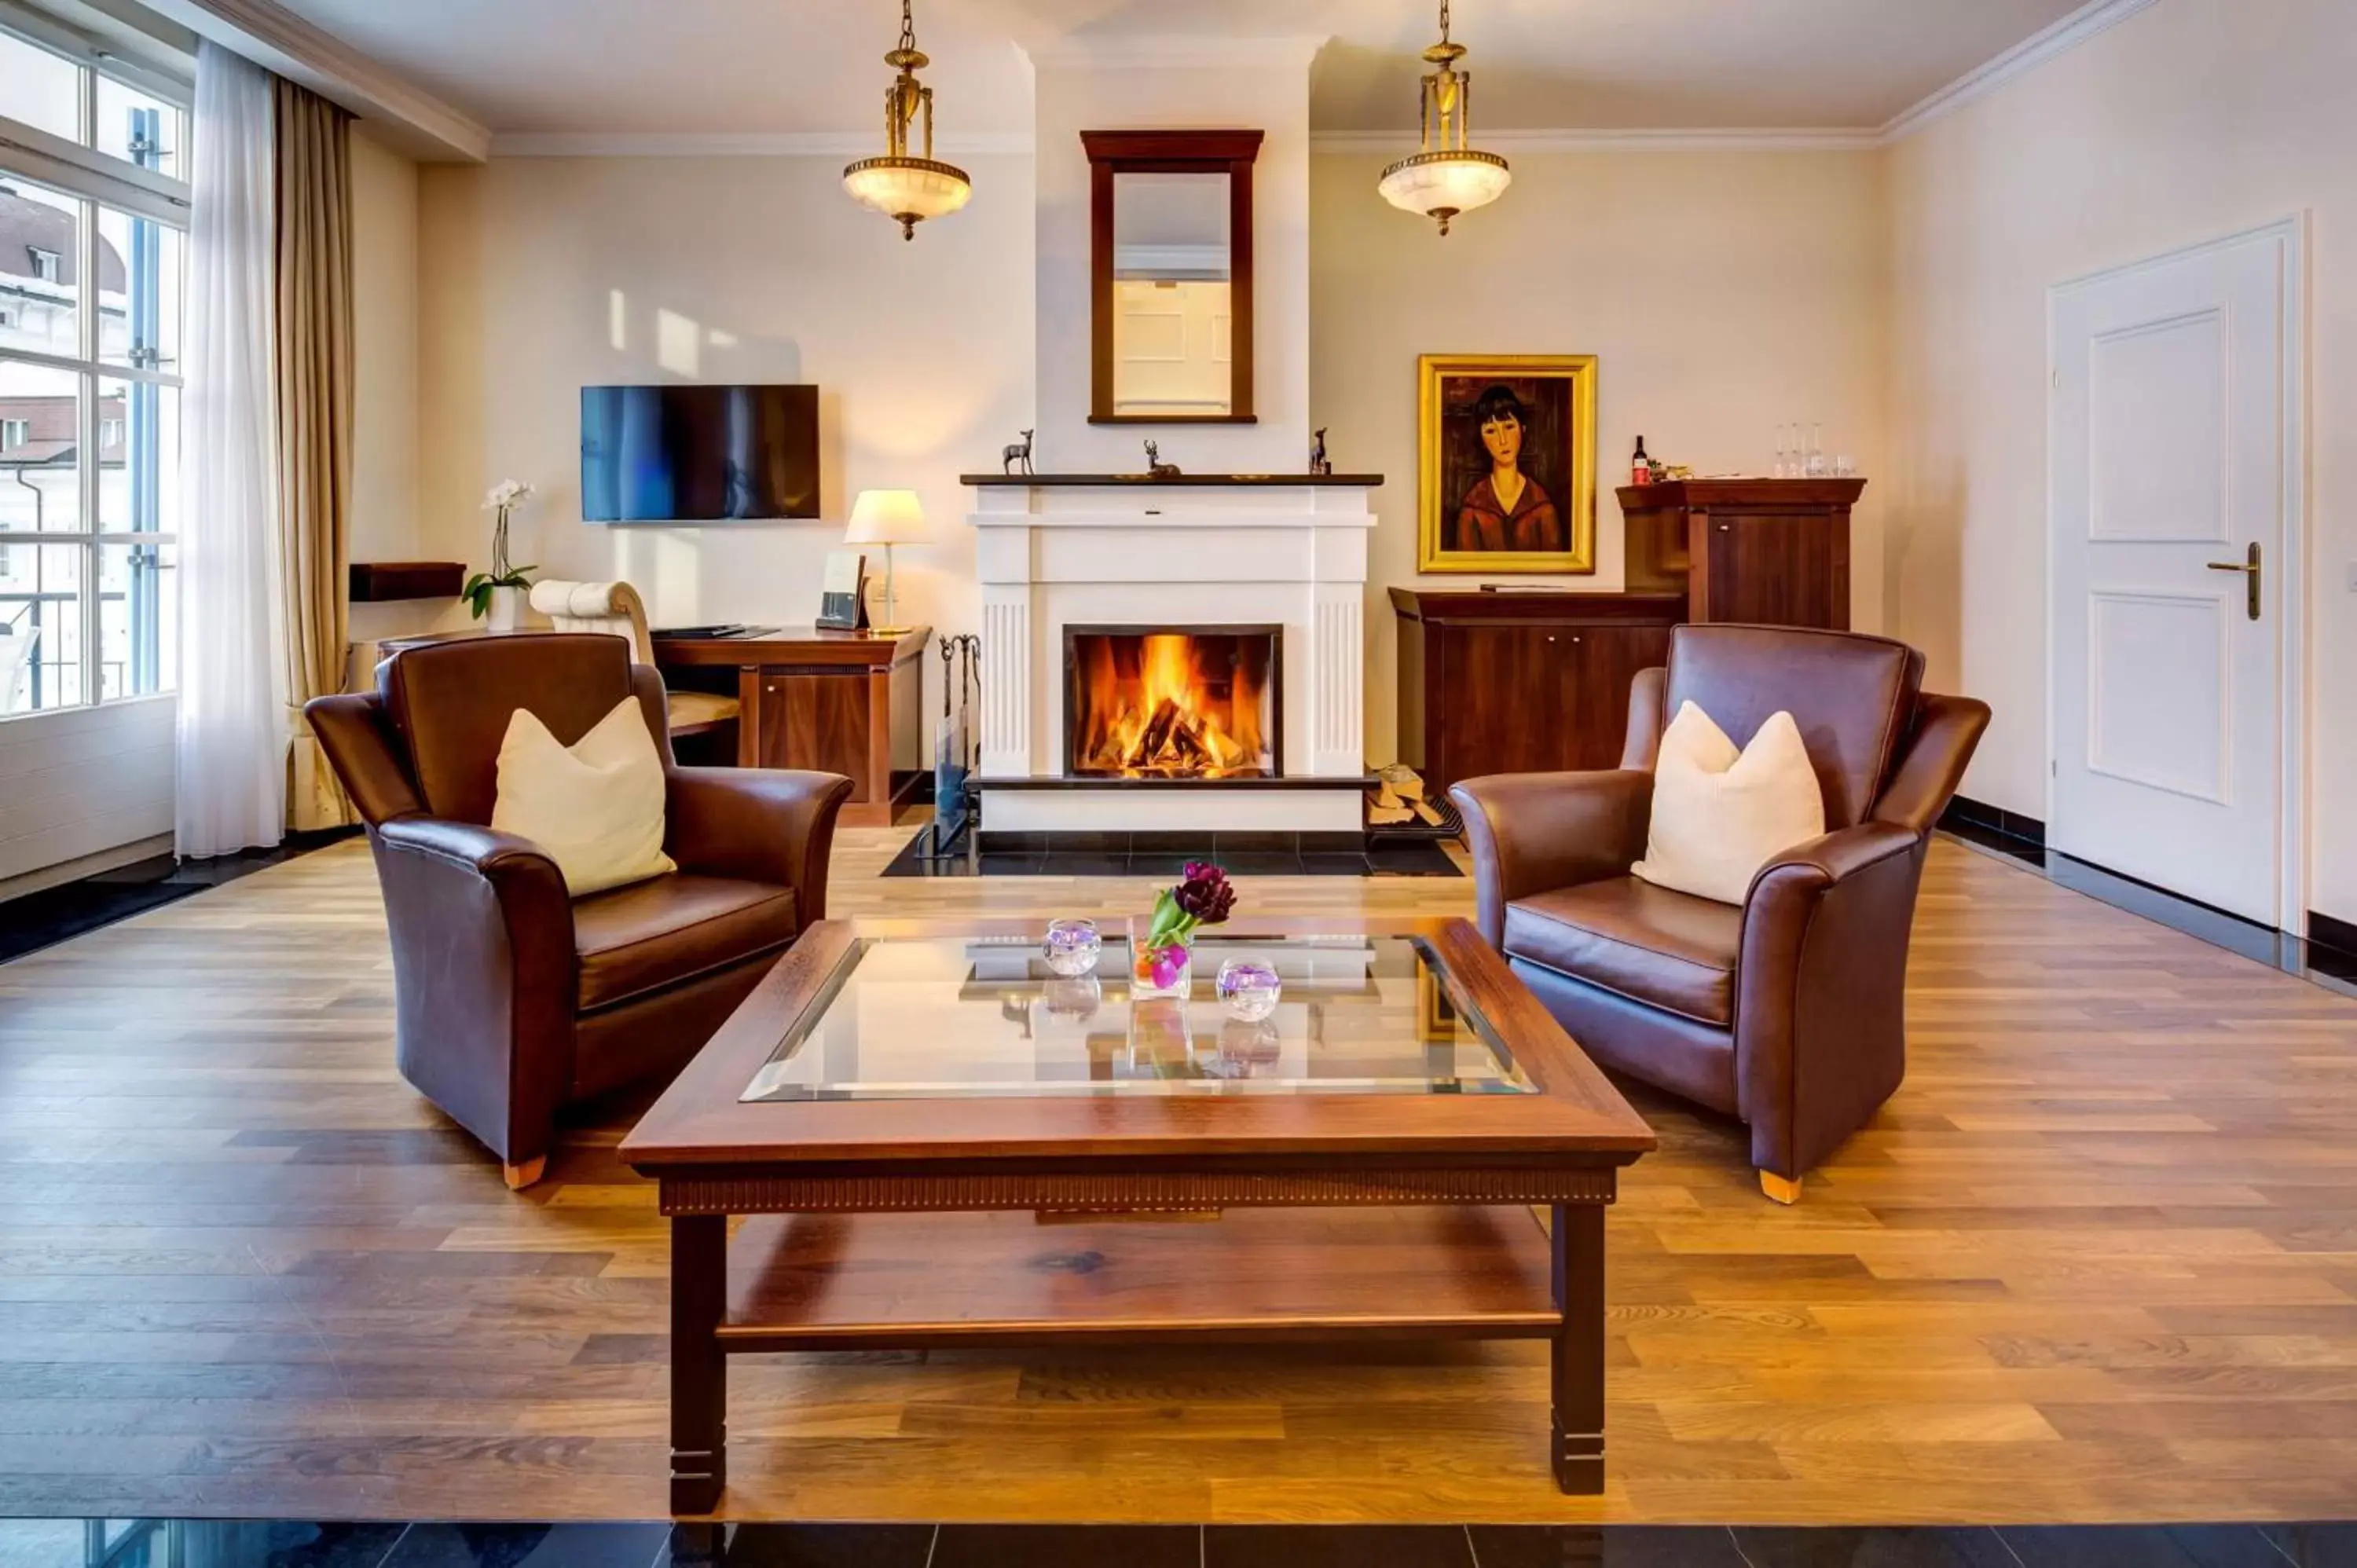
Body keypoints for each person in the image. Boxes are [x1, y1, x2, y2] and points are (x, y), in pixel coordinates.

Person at [1452, 384, 1563, 553]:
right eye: (1491, 431)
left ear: (1523, 430)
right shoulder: (1472, 509)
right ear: (1481, 440)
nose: (1503, 440)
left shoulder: (1543, 507)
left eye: (1509, 427)